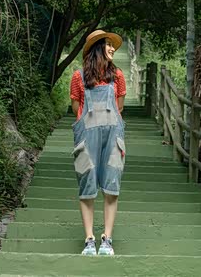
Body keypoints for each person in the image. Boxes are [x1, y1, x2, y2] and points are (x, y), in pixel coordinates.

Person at [69, 30, 126, 256]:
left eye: (113, 45)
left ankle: (107, 239)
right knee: (87, 187)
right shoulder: (78, 77)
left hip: (113, 138)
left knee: (112, 188)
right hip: (87, 140)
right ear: (97, 48)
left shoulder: (118, 76)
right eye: (108, 44)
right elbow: (77, 110)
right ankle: (89, 239)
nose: (112, 49)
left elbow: (119, 108)